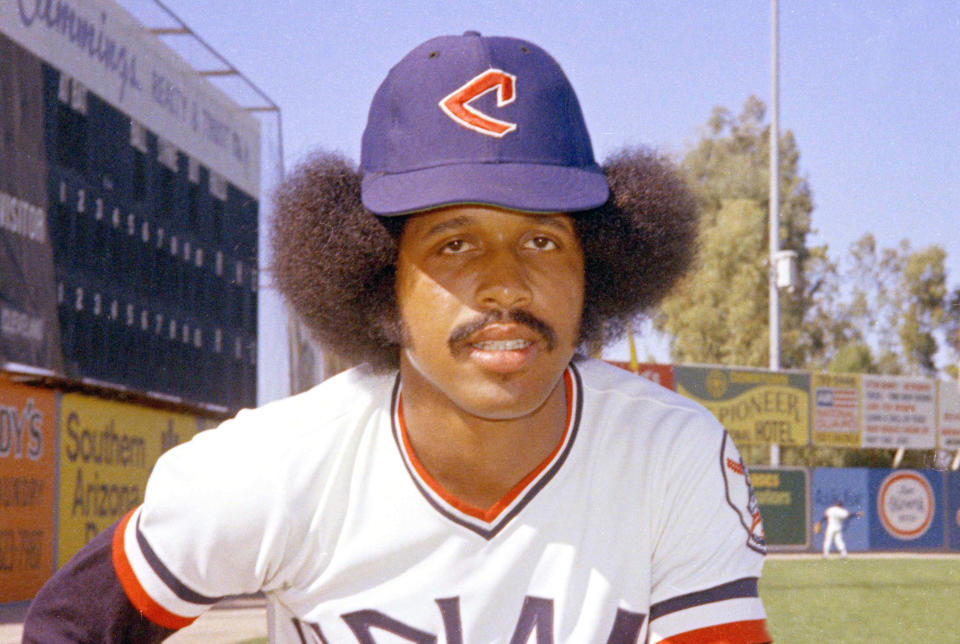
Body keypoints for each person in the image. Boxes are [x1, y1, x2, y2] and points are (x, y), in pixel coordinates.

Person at [24, 32, 771, 643]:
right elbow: (67, 627)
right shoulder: (278, 468)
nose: (505, 284)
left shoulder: (670, 454)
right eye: (454, 243)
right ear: (380, 276)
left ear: (598, 267)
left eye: (542, 242)